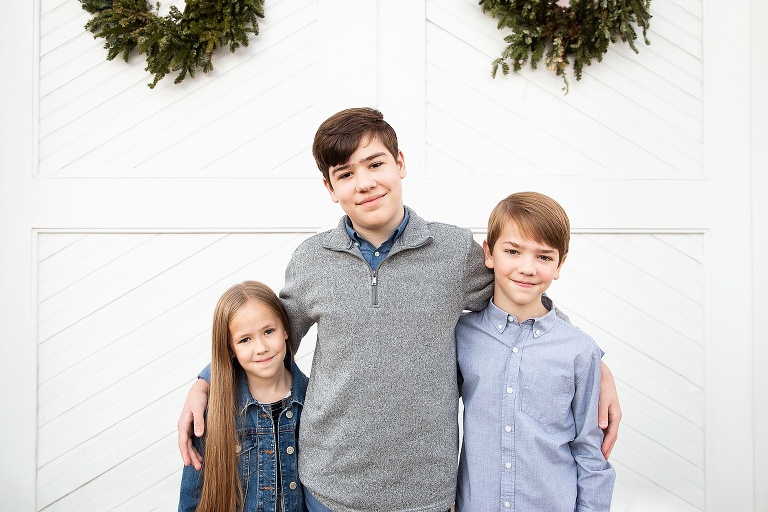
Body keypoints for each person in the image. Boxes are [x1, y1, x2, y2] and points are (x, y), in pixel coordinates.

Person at [178, 107, 622, 512]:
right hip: (329, 486)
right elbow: (267, 336)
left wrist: (593, 364)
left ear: (400, 163)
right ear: (330, 189)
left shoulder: (452, 252)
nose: (365, 182)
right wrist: (206, 381)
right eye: (346, 173)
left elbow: (522, 296)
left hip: (426, 492)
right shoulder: (313, 259)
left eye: (375, 164)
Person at [456, 191, 615, 511]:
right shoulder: (461, 336)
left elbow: (589, 452)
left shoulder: (579, 351)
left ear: (560, 264)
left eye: (543, 256)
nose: (527, 268)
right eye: (513, 251)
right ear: (489, 253)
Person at [178, 281, 308, 512]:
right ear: (230, 348)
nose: (261, 347)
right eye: (245, 340)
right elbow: (192, 497)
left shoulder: (311, 399)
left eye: (269, 331)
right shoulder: (215, 411)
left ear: (286, 329)